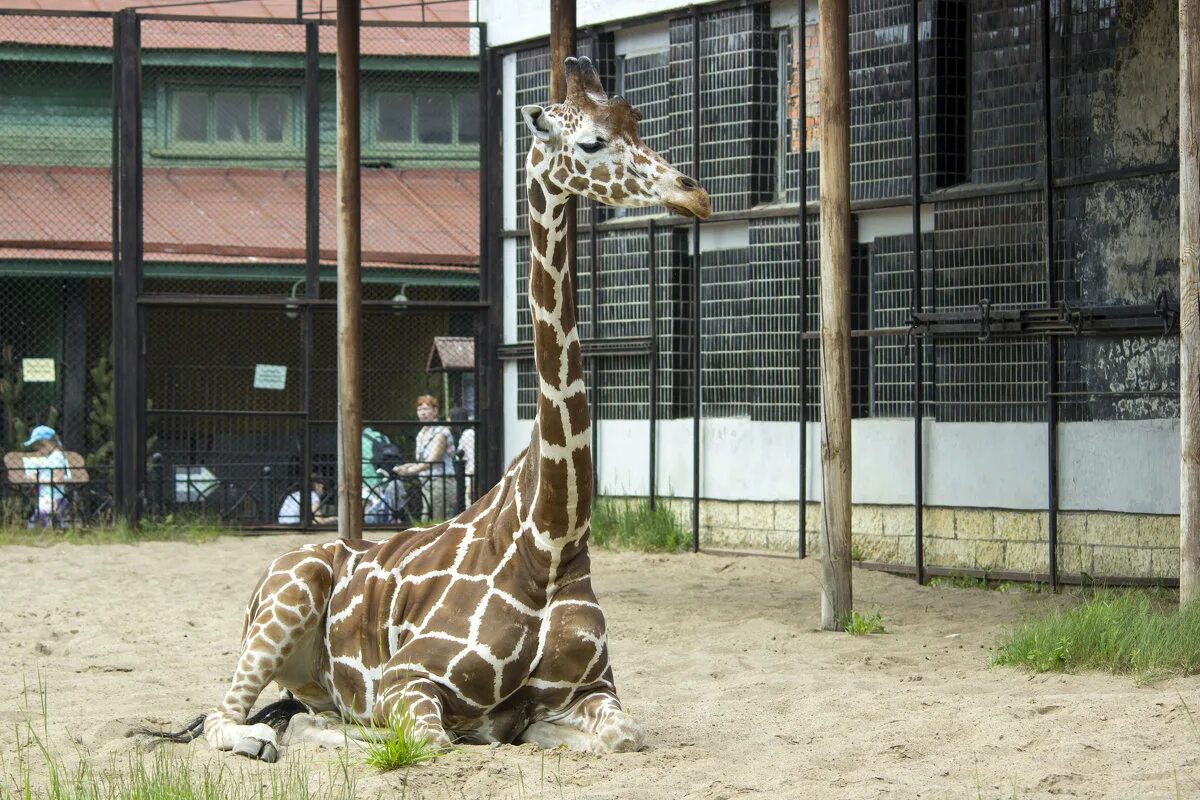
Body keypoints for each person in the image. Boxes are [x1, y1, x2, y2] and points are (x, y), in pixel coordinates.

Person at [393, 394, 457, 520]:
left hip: (441, 481)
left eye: (426, 409)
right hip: (426, 482)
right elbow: (421, 461)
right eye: (419, 409)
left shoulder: (441, 432)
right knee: (427, 520)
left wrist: (410, 471)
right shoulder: (421, 434)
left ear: (435, 411)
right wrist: (405, 467)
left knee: (437, 520)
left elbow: (432, 460)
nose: (422, 413)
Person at [23, 425, 70, 528]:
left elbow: (58, 479)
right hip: (47, 497)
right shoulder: (51, 457)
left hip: (52, 498)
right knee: (35, 524)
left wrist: (39, 480)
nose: (37, 450)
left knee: (33, 525)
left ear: (45, 443)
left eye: (38, 446)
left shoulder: (57, 457)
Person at [450, 406, 476, 505]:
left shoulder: (468, 434)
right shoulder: (464, 434)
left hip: (470, 477)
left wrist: (470, 484)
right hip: (466, 478)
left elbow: (473, 459)